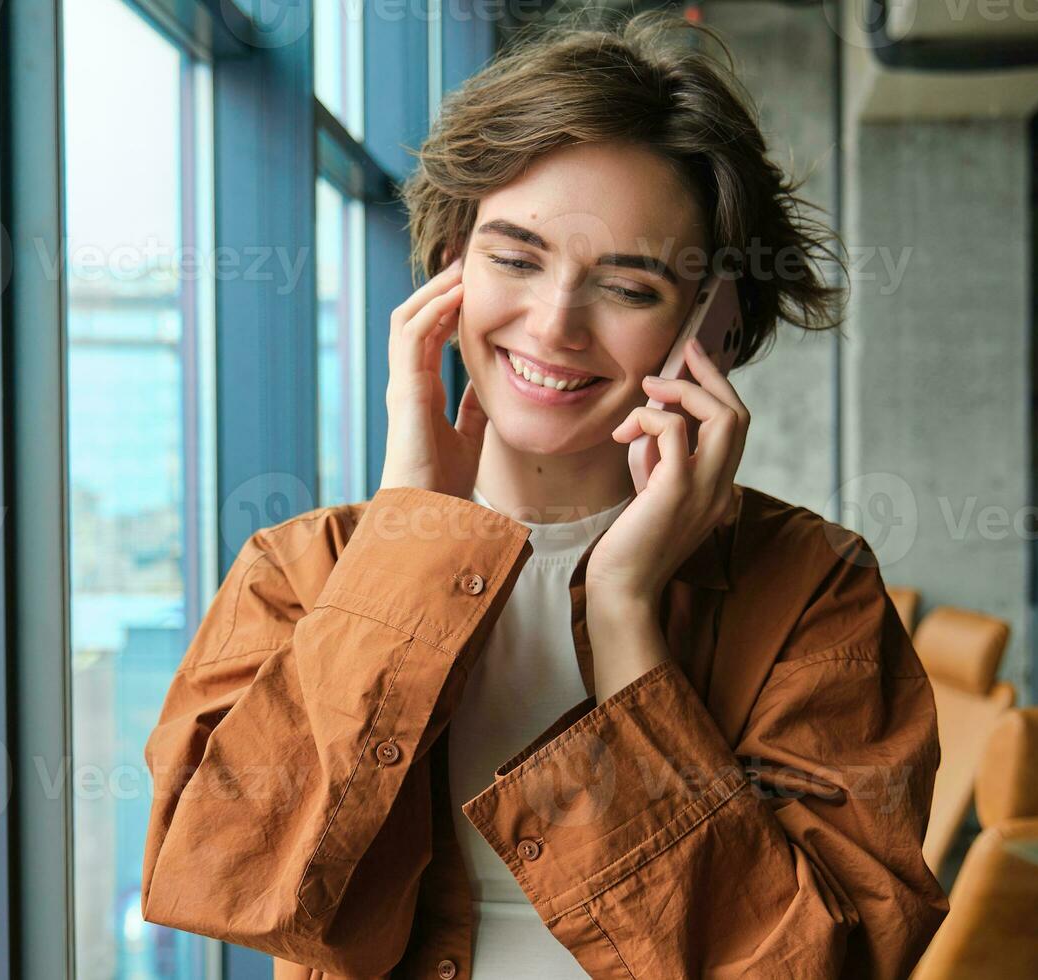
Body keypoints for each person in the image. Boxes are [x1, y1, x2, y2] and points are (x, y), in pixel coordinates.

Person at [141, 11, 945, 978]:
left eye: (630, 288)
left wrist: (625, 619)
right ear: (451, 266)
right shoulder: (300, 569)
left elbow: (833, 967)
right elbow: (232, 885)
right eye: (515, 259)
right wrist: (405, 551)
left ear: (714, 326)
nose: (555, 324)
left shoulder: (813, 590)